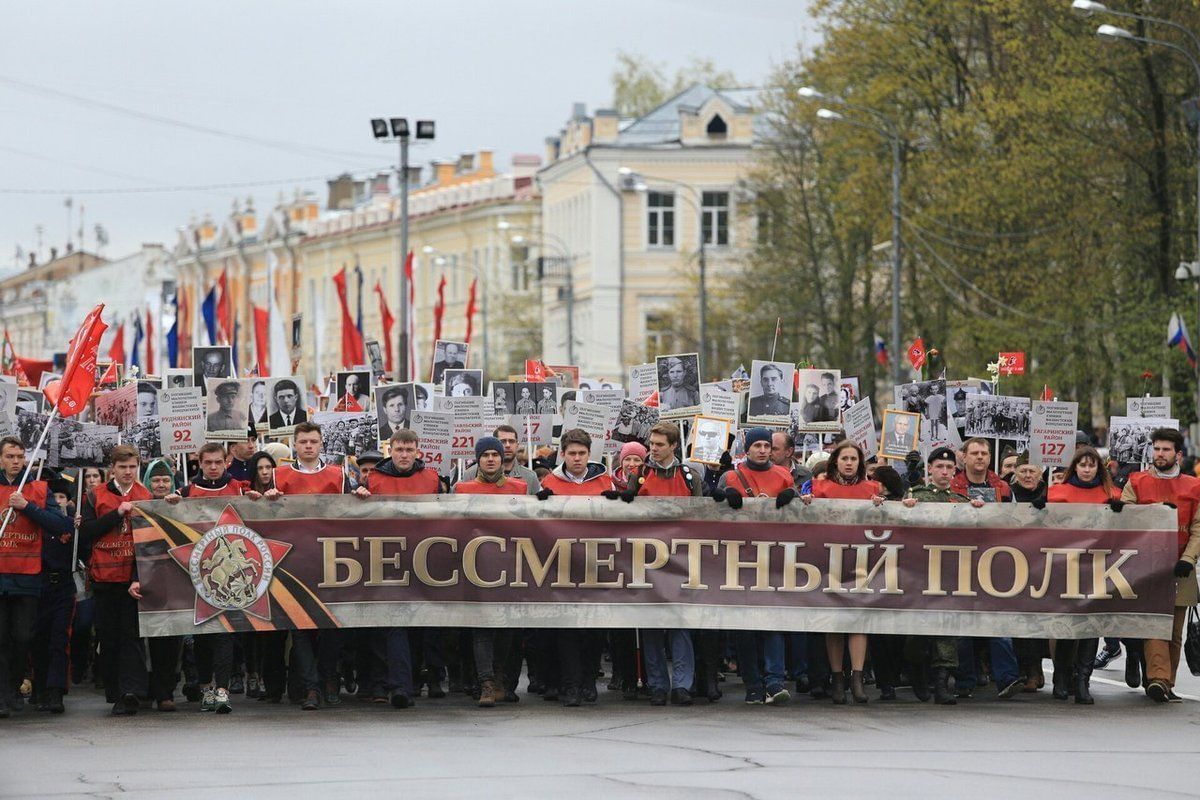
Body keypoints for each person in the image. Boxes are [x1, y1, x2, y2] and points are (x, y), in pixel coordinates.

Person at [160, 443, 257, 714]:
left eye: (218, 462)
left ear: (226, 462)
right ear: (199, 464)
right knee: (203, 636)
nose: (213, 467)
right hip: (199, 571)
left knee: (225, 633)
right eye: (208, 463)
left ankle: (223, 690)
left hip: (234, 572)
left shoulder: (240, 488)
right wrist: (170, 505)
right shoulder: (187, 491)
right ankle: (206, 689)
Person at [264, 422, 353, 709]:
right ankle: (311, 686)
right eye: (303, 442)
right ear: (295, 444)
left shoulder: (338, 476)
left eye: (313, 442)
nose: (309, 447)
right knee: (299, 628)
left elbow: (352, 514)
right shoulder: (279, 477)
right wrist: (266, 500)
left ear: (321, 444)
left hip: (332, 561)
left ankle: (328, 678)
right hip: (293, 563)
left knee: (332, 627)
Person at [353, 429, 443, 709]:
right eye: (399, 449)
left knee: (420, 626)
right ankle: (400, 686)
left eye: (409, 449)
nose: (404, 455)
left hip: (423, 561)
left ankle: (413, 679)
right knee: (395, 623)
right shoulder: (375, 479)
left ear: (418, 451)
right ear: (390, 450)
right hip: (387, 562)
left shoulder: (431, 479)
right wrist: (359, 498)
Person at [615, 422, 701, 706]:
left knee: (680, 624)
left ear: (674, 446)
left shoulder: (690, 476)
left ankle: (682, 685)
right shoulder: (639, 474)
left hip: (682, 560)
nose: (653, 448)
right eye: (651, 443)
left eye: (660, 444)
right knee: (650, 623)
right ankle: (656, 685)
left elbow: (702, 517)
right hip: (646, 560)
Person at [712, 428, 798, 705]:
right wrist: (724, 496)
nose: (762, 450)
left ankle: (774, 682)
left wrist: (792, 498)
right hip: (739, 558)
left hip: (773, 558)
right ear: (746, 449)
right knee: (745, 627)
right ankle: (752, 684)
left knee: (773, 622)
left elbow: (802, 512)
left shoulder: (783, 476)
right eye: (757, 445)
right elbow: (713, 507)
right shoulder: (732, 476)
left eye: (766, 445)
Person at [533, 429, 615, 707]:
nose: (577, 458)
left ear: (589, 454)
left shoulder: (605, 480)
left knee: (593, 630)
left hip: (597, 566)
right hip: (562, 567)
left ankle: (588, 682)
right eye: (572, 454)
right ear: (563, 454)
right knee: (566, 630)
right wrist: (539, 505)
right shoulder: (551, 483)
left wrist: (619, 504)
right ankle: (569, 685)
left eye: (582, 453)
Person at [1119, 427, 1200, 703]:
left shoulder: (1194, 486)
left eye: (1166, 450)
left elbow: (1199, 528)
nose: (1160, 454)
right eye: (1156, 449)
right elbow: (1125, 516)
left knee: (1175, 631)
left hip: (1180, 566)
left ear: (1178, 454)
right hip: (1147, 566)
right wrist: (1120, 508)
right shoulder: (1137, 481)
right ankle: (1157, 679)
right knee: (1155, 624)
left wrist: (1188, 560)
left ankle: (1167, 682)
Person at [799, 440, 883, 703]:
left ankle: (857, 678)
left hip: (861, 562)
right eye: (844, 458)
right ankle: (837, 678)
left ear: (860, 463)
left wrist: (884, 506)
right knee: (834, 622)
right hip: (827, 561)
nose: (849, 463)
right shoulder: (819, 487)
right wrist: (806, 502)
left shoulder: (873, 489)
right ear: (835, 461)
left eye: (853, 459)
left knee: (858, 621)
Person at [900, 446, 980, 705]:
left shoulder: (961, 500)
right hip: (920, 574)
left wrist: (980, 510)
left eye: (949, 468)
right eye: (940, 467)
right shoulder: (916, 495)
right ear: (930, 469)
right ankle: (918, 674)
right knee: (918, 632)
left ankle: (942, 682)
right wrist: (906, 509)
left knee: (947, 630)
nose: (945, 472)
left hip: (949, 574)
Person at [78, 444, 152, 716]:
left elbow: (149, 543)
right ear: (112, 469)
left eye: (133, 467)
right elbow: (86, 532)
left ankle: (132, 692)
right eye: (123, 467)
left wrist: (137, 576)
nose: (128, 472)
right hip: (104, 576)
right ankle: (115, 691)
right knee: (108, 637)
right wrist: (117, 513)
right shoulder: (94, 495)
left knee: (131, 636)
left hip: (131, 579)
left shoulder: (145, 495)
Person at [0, 438, 71, 718]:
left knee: (22, 637)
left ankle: (15, 684)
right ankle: (5, 695)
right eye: (10, 456)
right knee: (1, 638)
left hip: (28, 578)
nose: (16, 461)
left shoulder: (39, 489)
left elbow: (61, 525)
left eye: (19, 456)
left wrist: (27, 506)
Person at [1044, 445, 1119, 704]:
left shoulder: (1111, 493)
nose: (1087, 470)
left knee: (1092, 624)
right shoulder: (1057, 493)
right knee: (1069, 625)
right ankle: (1061, 678)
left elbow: (1138, 517)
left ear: (1098, 467)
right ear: (1074, 467)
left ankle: (1083, 681)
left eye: (1092, 465)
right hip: (1066, 567)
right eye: (1082, 465)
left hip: (1100, 567)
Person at [136, 458, 185, 712]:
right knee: (145, 641)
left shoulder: (181, 508)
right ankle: (145, 690)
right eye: (156, 480)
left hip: (174, 581)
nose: (161, 484)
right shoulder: (140, 507)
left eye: (166, 479)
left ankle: (165, 692)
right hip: (144, 579)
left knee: (170, 639)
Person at [461, 425, 541, 495]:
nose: (507, 445)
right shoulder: (471, 474)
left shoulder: (530, 477)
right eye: (503, 441)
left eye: (511, 441)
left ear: (517, 444)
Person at [951, 438, 1012, 502]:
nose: (980, 457)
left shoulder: (1004, 488)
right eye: (974, 453)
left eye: (984, 453)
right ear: (964, 457)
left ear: (989, 458)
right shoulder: (951, 487)